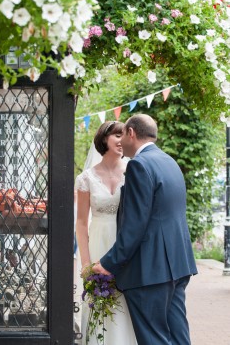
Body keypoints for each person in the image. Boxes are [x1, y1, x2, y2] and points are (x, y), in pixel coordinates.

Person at [93, 114, 198, 345]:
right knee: (179, 337)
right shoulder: (169, 161)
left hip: (150, 271)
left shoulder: (139, 165)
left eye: (123, 135)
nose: (121, 142)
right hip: (177, 266)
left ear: (132, 133)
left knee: (154, 339)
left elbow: (135, 225)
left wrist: (108, 263)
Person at [75, 121, 137, 345]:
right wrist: (86, 263)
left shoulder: (133, 170)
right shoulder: (86, 179)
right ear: (104, 139)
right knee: (99, 302)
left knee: (124, 303)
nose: (122, 140)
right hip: (98, 242)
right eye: (117, 135)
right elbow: (81, 223)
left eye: (124, 135)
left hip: (125, 243)